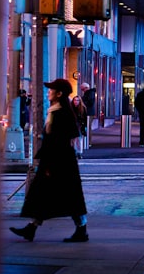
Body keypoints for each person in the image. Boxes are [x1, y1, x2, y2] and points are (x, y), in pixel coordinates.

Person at [10, 78, 89, 243]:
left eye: (51, 90)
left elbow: (60, 139)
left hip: (59, 161)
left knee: (66, 195)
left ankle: (81, 229)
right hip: (58, 160)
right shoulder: (56, 110)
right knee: (48, 195)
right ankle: (32, 228)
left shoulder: (61, 112)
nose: (48, 92)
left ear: (59, 93)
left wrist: (49, 163)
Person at [70, 94, 87, 158]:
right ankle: (74, 152)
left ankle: (79, 152)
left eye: (77, 100)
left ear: (80, 101)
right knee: (73, 140)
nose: (76, 102)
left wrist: (84, 126)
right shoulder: (70, 108)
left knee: (79, 140)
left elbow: (84, 118)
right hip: (72, 126)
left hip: (79, 126)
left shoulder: (83, 108)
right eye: (75, 100)